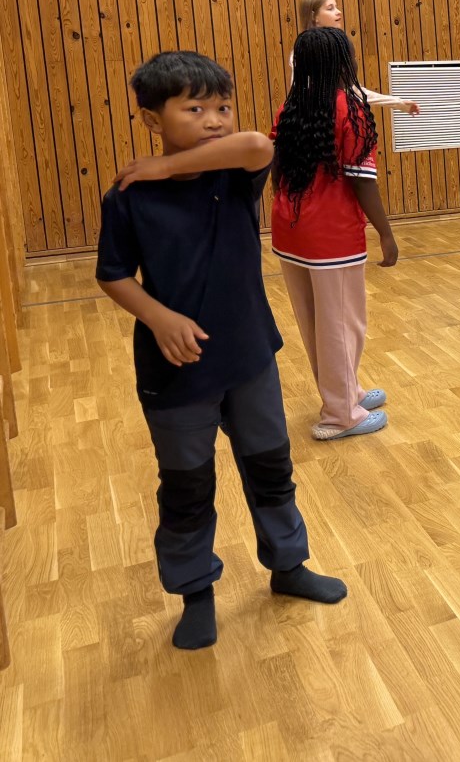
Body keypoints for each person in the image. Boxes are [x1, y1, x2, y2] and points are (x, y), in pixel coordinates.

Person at [96, 51, 346, 650]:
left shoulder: (234, 174)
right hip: (176, 369)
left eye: (222, 107)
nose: (214, 119)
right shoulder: (127, 198)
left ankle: (288, 566)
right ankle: (196, 593)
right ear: (152, 119)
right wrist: (158, 318)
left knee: (271, 468)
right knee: (186, 486)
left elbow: (258, 144)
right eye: (194, 109)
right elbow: (113, 275)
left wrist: (164, 166)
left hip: (249, 354)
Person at [272, 28, 398, 441]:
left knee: (316, 323)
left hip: (290, 231)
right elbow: (362, 180)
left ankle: (345, 393)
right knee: (343, 324)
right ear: (343, 61)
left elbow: (275, 168)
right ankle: (340, 415)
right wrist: (385, 232)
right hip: (332, 237)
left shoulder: (291, 106)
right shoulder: (351, 107)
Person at [292, 0, 420, 115]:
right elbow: (299, 95)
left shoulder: (341, 46)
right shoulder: (301, 54)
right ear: (314, 17)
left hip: (339, 117)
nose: (338, 12)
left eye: (336, 7)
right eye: (330, 8)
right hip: (318, 121)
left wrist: (399, 103)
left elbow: (354, 91)